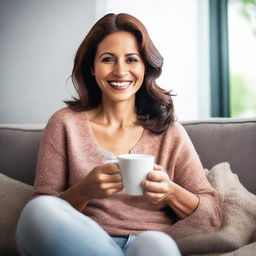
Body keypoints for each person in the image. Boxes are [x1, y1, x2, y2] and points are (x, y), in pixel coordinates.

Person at [16, 13, 222, 256]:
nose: (120, 71)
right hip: (83, 243)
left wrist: (170, 191)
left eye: (132, 59)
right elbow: (44, 209)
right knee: (38, 211)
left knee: (157, 245)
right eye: (108, 59)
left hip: (149, 244)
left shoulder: (169, 131)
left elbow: (212, 217)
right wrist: (83, 191)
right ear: (92, 67)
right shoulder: (65, 124)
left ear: (145, 67)